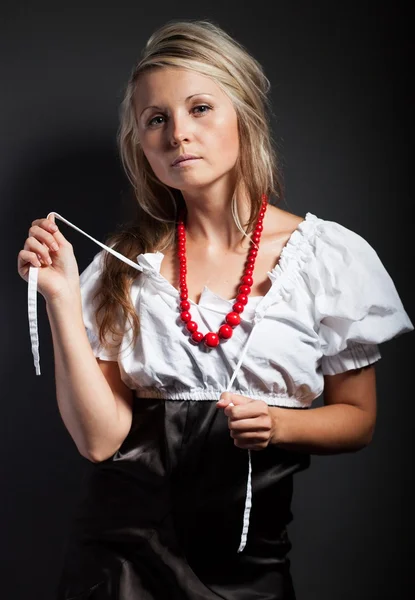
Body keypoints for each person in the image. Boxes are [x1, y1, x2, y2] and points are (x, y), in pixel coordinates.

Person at [17, 19, 413, 600]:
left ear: (243, 116)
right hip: (118, 564)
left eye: (200, 107)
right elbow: (101, 443)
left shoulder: (327, 258)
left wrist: (280, 425)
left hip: (249, 570)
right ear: (142, 144)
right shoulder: (124, 266)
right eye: (157, 119)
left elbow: (359, 419)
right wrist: (60, 297)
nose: (178, 132)